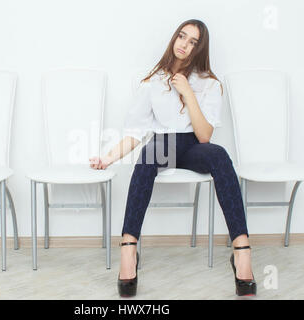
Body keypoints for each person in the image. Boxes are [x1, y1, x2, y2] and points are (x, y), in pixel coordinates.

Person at [89, 19, 256, 297]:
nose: (184, 45)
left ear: (200, 49)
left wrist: (188, 93)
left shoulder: (209, 84)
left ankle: (242, 252)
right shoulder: (152, 82)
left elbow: (204, 136)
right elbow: (135, 133)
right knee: (147, 154)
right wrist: (108, 158)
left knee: (220, 155)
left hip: (193, 146)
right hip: (163, 146)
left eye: (193, 42)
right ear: (174, 38)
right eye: (182, 36)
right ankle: (129, 250)